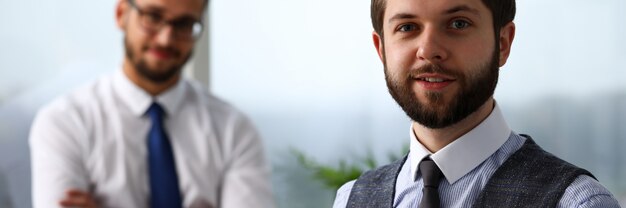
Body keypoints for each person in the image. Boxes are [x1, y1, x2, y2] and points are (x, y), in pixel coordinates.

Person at [333, 0, 620, 207]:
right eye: (407, 27)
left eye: (458, 23)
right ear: (381, 48)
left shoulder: (578, 203)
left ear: (503, 42)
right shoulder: (350, 199)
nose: (429, 50)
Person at [29, 0, 275, 207]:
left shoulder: (234, 129)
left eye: (184, 24)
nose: (166, 38)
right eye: (153, 17)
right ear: (121, 14)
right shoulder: (65, 121)